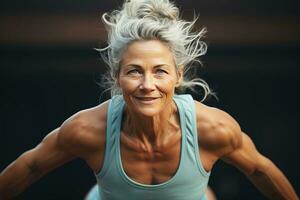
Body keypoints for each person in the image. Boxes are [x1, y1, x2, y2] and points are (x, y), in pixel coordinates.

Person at [0, 0, 298, 199]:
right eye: (134, 72)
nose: (147, 85)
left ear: (177, 76)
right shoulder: (87, 130)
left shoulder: (213, 129)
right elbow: (31, 166)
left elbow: (261, 169)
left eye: (160, 71)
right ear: (117, 76)